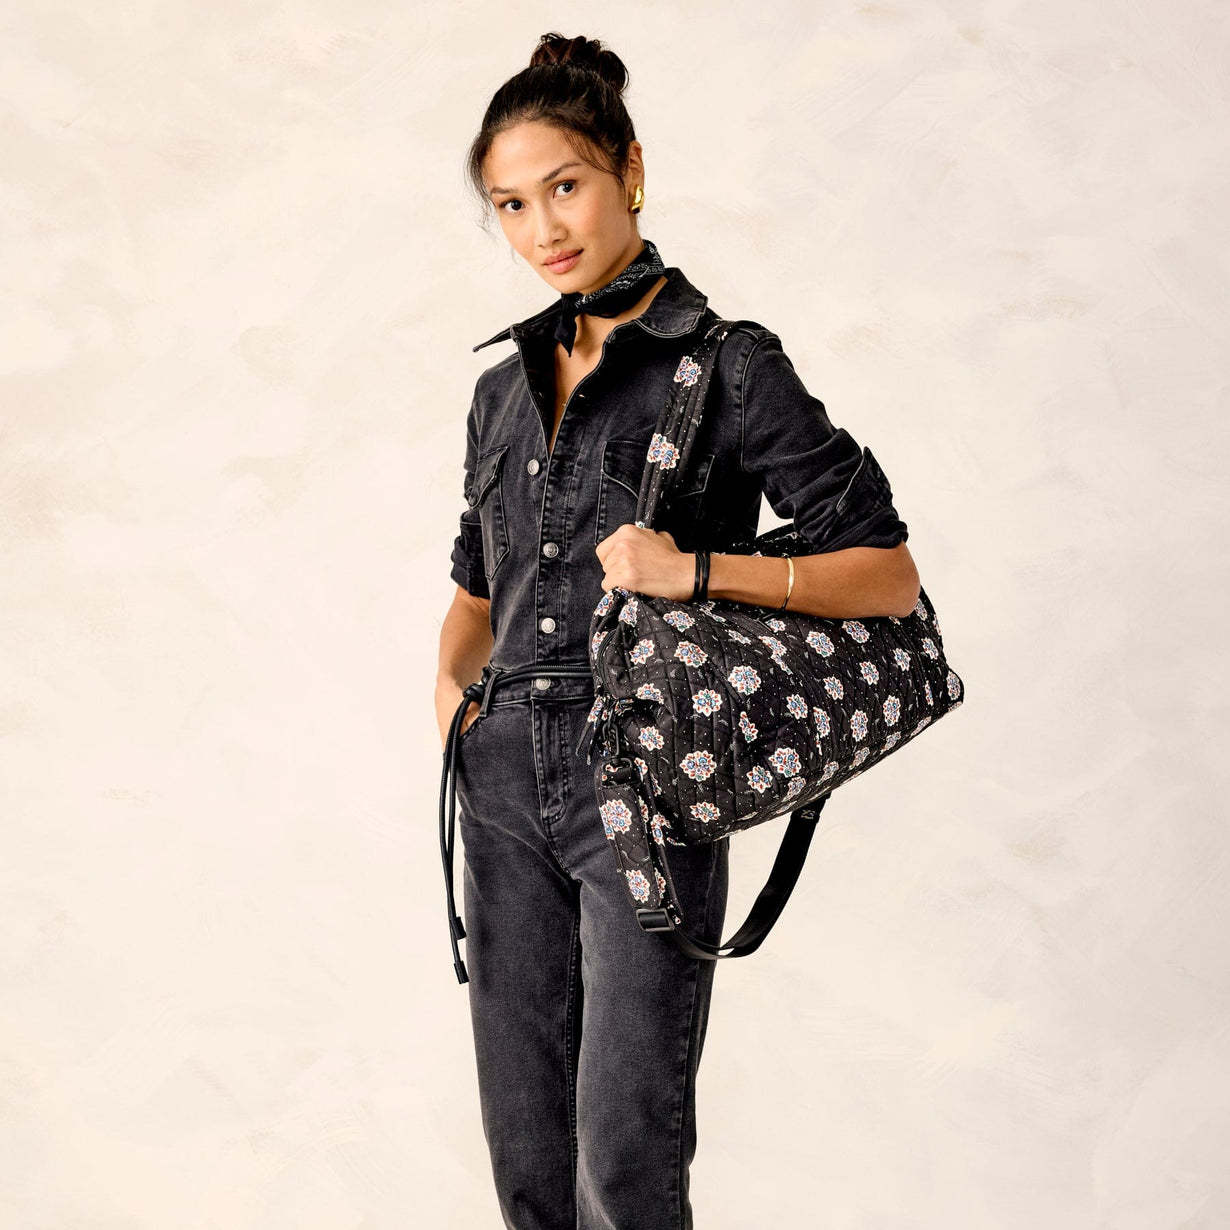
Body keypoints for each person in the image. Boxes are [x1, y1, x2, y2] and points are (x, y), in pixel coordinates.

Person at [435, 32, 920, 1230]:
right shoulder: (499, 391)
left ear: (630, 171)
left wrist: (694, 569)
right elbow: (475, 592)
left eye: (565, 186)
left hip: (644, 777)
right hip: (500, 781)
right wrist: (456, 710)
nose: (543, 228)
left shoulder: (728, 366)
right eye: (512, 204)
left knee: (625, 1161)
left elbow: (887, 574)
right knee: (527, 1161)